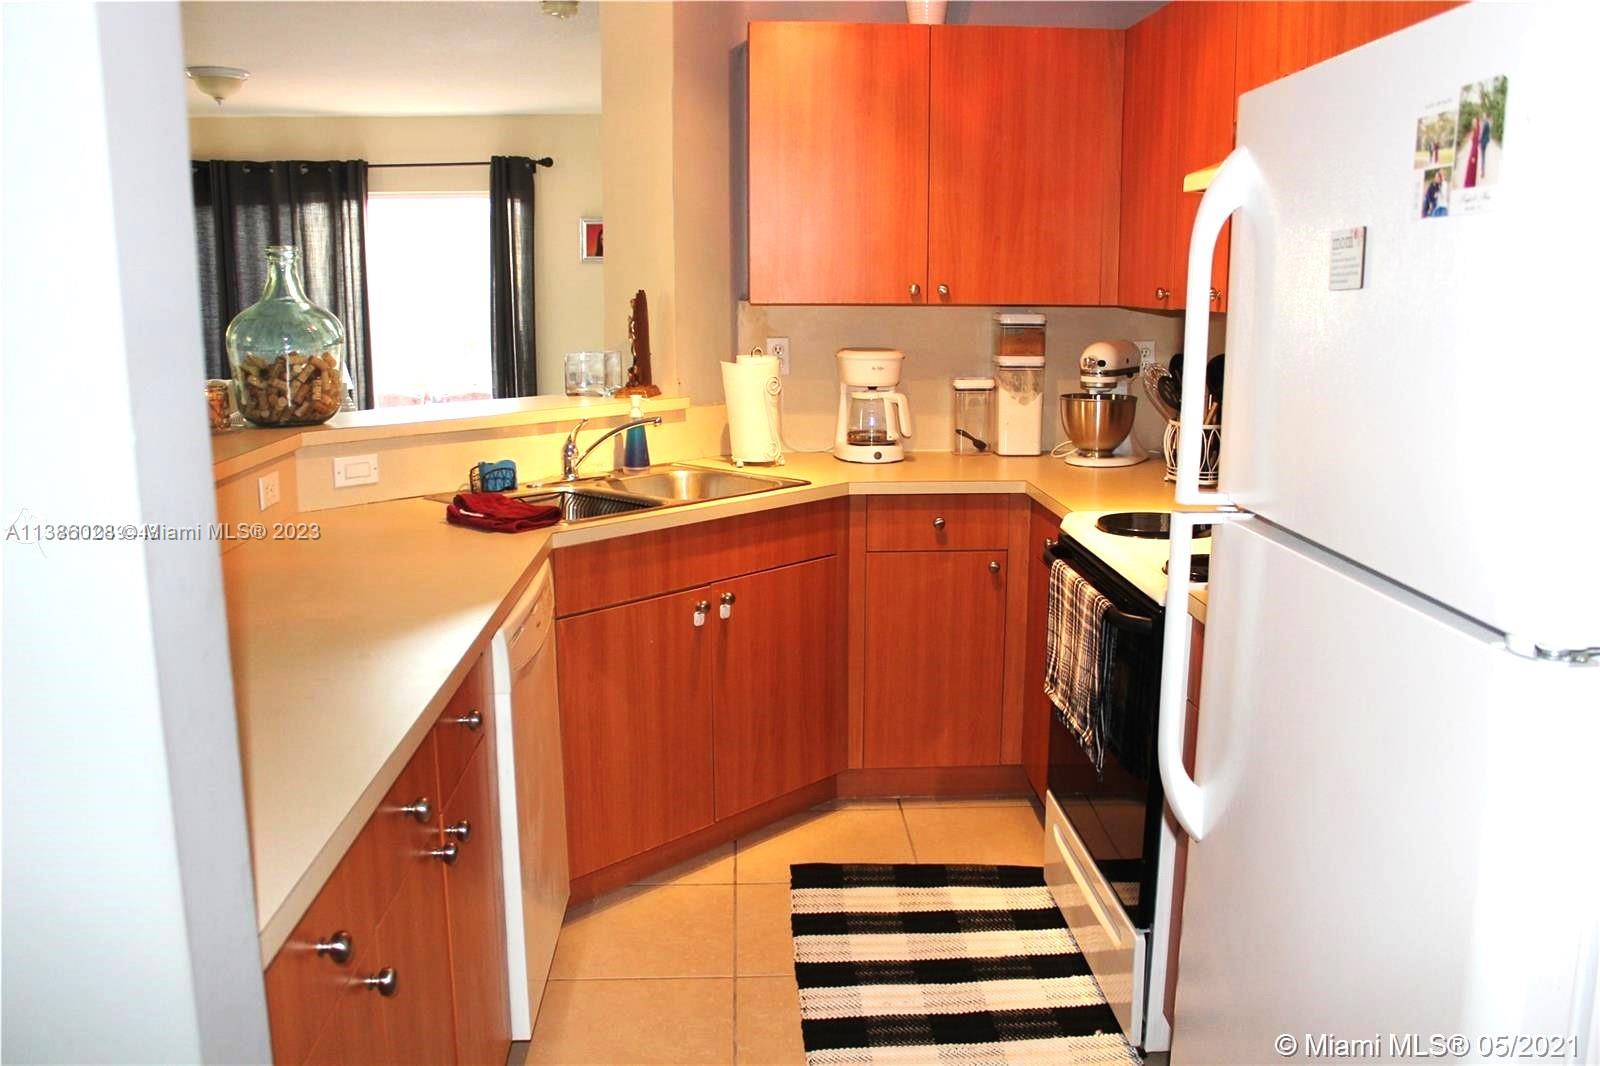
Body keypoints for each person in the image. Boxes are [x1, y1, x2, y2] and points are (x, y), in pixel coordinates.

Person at [1462, 117, 1480, 188]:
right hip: (1473, 151)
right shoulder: (1475, 130)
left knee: (1471, 169)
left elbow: (1476, 144)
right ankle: (1470, 183)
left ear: (1476, 122)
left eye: (1474, 122)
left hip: (1474, 152)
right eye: (1473, 122)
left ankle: (1470, 184)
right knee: (1470, 170)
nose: (1473, 123)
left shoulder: (1477, 130)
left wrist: (1473, 156)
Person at [1478, 112, 1492, 181]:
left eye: (1484, 116)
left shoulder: (1485, 124)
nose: (1483, 117)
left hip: (1483, 142)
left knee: (1483, 157)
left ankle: (1483, 172)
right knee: (1483, 156)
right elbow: (1489, 132)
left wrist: (1479, 141)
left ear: (1485, 116)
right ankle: (1483, 171)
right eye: (1483, 116)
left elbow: (1482, 134)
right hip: (1485, 142)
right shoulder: (1488, 123)